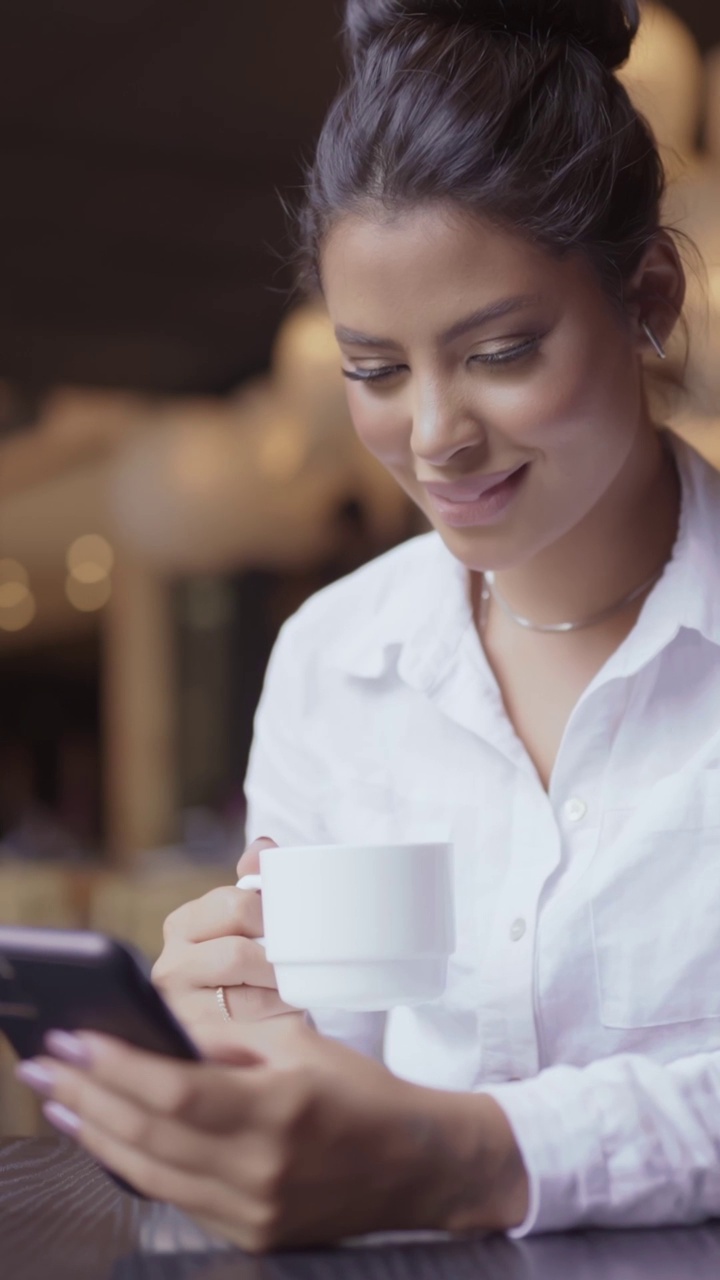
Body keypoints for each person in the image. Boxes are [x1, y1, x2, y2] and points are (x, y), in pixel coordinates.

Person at [17, 0, 720, 1253]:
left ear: (649, 297)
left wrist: (477, 1156)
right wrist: (225, 1059)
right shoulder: (333, 661)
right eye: (375, 370)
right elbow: (325, 1085)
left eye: (501, 350)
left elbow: (430, 1151)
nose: (435, 435)